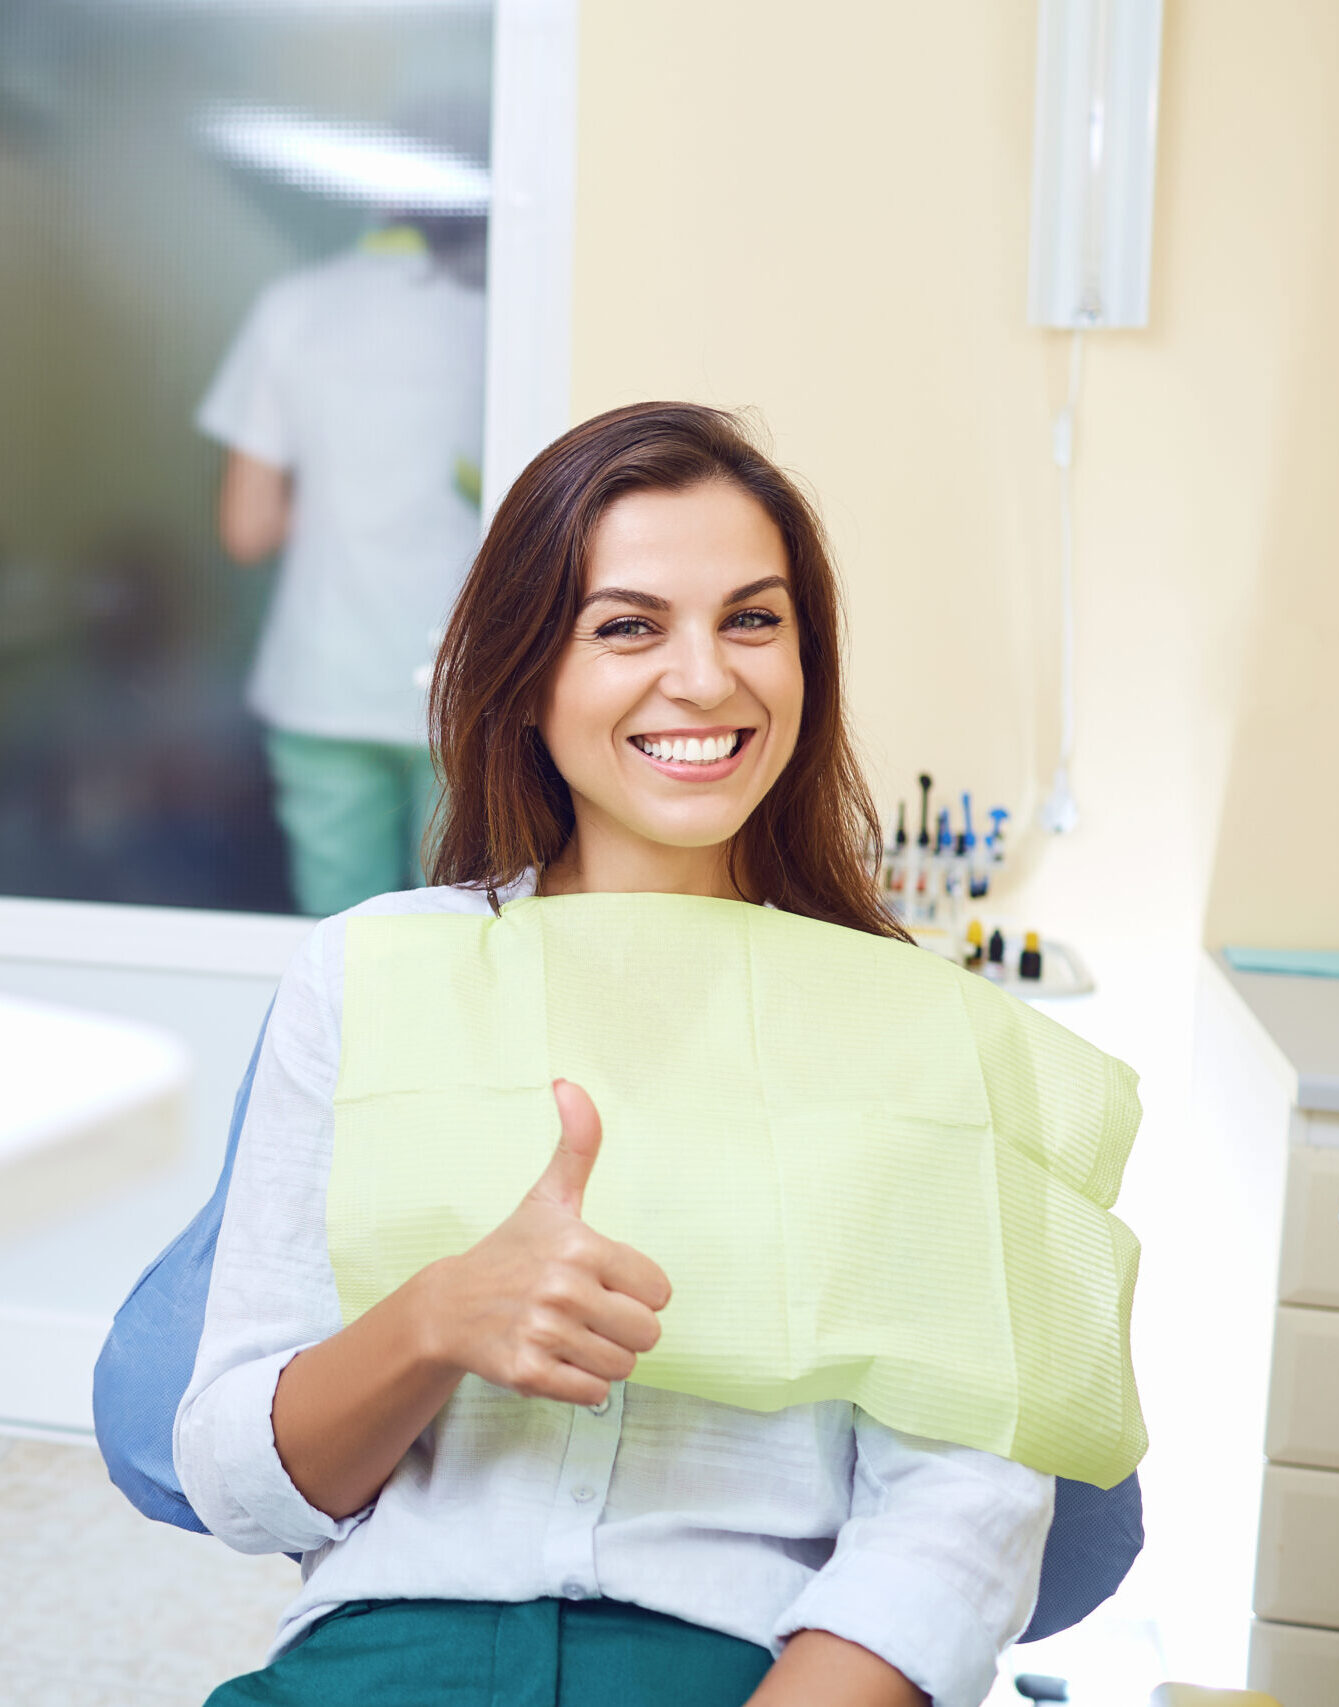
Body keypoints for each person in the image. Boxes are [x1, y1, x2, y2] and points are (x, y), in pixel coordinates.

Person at [172, 402, 1116, 1707]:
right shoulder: (365, 973)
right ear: (526, 671)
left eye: (751, 618)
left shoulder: (918, 1024)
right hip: (383, 1654)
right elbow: (236, 1479)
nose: (705, 677)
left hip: (741, 1663)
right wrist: (437, 1315)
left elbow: (957, 1516)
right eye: (627, 624)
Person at [196, 211, 486, 917]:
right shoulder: (503, 311)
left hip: (323, 674)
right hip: (469, 672)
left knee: (334, 944)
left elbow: (247, 527)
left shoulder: (296, 305)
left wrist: (335, 509)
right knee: (454, 933)